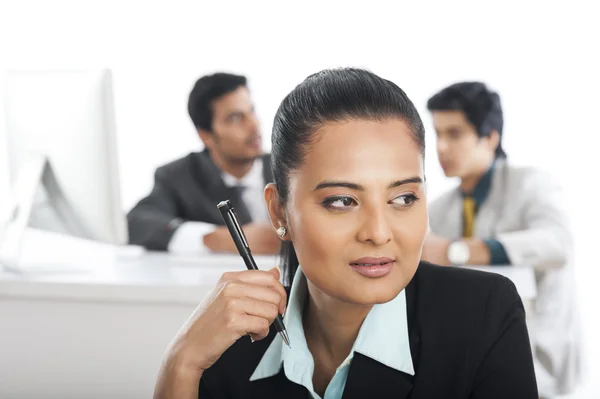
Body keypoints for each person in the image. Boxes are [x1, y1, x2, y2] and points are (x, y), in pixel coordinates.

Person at [153, 68, 538, 399]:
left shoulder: (484, 316)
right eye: (342, 201)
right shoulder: (229, 345)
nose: (378, 232)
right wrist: (180, 363)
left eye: (404, 197)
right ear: (278, 211)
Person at [422, 82, 581, 398]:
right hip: (474, 360)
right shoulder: (437, 209)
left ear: (491, 136)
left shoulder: (532, 184)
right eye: (437, 134)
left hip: (541, 356)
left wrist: (457, 251)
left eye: (454, 134)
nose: (441, 147)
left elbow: (557, 243)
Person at [127, 73, 280, 255]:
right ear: (205, 135)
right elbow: (137, 223)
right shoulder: (178, 176)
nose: (254, 126)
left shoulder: (289, 165)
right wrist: (225, 239)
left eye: (252, 111)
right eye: (235, 118)